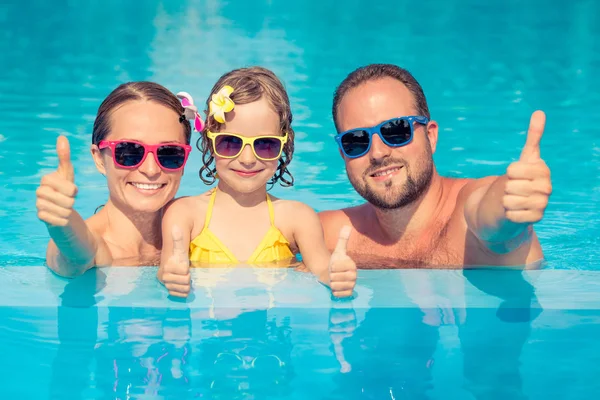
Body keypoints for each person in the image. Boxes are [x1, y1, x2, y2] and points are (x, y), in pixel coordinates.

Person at [319, 64, 552, 268]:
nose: (378, 153)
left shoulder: (466, 223)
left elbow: (488, 215)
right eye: (356, 140)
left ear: (430, 137)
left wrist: (510, 202)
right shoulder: (330, 234)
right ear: (343, 154)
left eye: (396, 130)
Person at [157, 66, 357, 298]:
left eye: (265, 144)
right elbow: (166, 269)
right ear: (210, 142)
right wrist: (171, 275)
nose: (248, 159)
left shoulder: (297, 218)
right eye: (230, 142)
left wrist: (337, 274)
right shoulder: (185, 215)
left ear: (284, 145)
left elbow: (322, 268)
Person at [35, 82, 193, 277]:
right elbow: (74, 256)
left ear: (184, 161)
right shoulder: (96, 247)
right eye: (129, 151)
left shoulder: (197, 237)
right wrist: (62, 224)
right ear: (99, 159)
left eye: (169, 153)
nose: (151, 169)